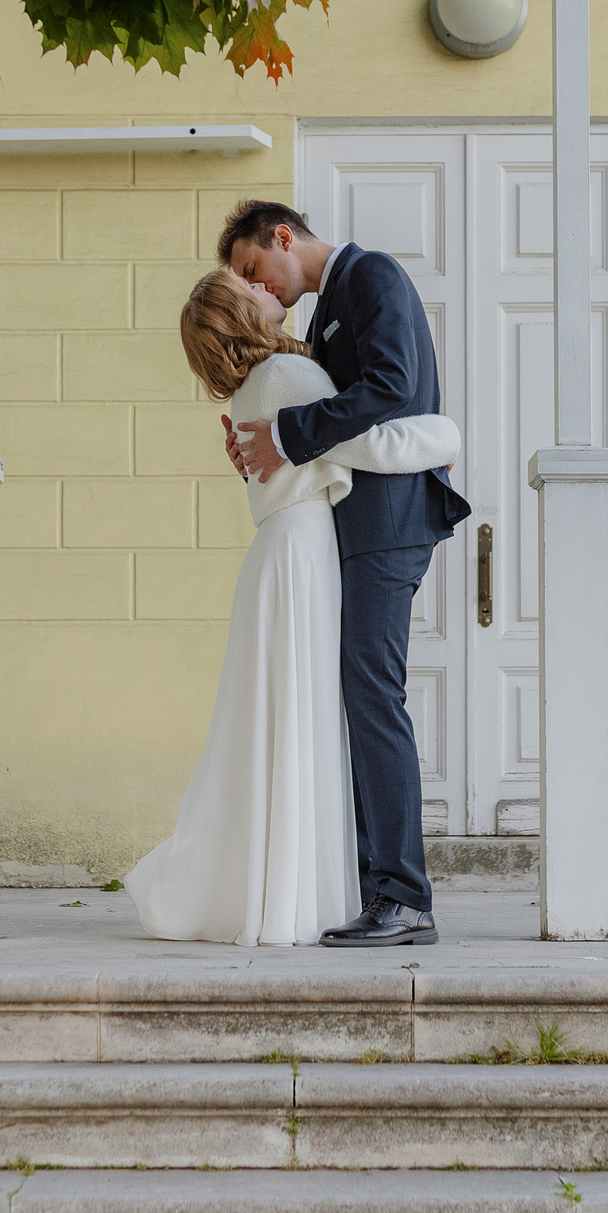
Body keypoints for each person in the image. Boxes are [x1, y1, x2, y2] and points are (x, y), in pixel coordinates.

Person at [122, 269, 461, 947]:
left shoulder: (260, 384)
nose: (263, 288)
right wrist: (447, 435)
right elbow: (374, 443)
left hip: (283, 553)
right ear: (241, 316)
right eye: (247, 288)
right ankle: (351, 887)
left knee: (288, 720)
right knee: (315, 714)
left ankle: (299, 883)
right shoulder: (286, 377)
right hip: (305, 556)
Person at [222, 200, 468, 949]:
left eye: (254, 269)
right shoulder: (329, 307)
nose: (257, 287)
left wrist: (288, 433)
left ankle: (404, 897)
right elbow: (337, 413)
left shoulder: (371, 276)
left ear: (283, 237)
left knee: (372, 693)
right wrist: (264, 435)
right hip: (356, 525)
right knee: (357, 695)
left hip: (390, 521)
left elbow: (391, 386)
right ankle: (369, 885)